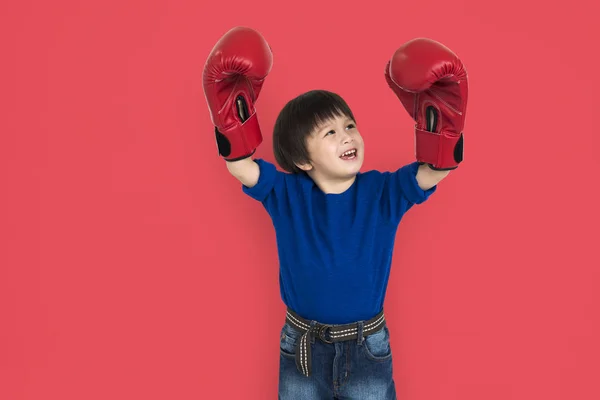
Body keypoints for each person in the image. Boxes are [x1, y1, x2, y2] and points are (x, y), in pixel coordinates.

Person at [203, 26, 468, 400]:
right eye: (329, 133)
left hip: (366, 345)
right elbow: (242, 167)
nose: (347, 137)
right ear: (301, 159)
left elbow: (433, 172)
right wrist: (230, 117)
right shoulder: (286, 193)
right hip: (303, 345)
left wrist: (445, 127)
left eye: (349, 126)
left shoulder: (383, 192)